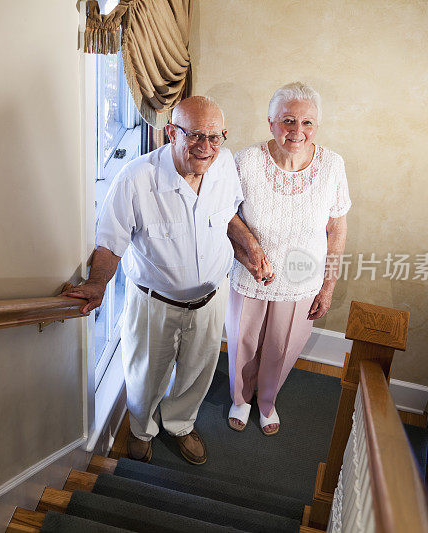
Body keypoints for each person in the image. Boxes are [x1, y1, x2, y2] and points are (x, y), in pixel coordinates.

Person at [64, 96, 243, 465]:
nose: (205, 147)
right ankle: (142, 429)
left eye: (215, 137)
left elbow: (228, 217)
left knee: (198, 372)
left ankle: (180, 425)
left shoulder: (225, 165)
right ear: (171, 132)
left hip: (211, 298)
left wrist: (252, 250)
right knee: (146, 377)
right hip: (155, 302)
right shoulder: (135, 178)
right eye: (194, 136)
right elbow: (110, 244)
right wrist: (97, 285)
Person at [225, 82, 350, 436]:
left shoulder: (332, 166)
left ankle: (267, 400)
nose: (297, 131)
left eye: (307, 123)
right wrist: (250, 246)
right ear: (270, 123)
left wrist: (328, 285)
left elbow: (336, 230)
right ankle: (240, 397)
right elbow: (225, 214)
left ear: (317, 127)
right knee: (242, 341)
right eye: (288, 121)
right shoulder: (245, 160)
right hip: (250, 275)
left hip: (302, 281)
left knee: (282, 347)